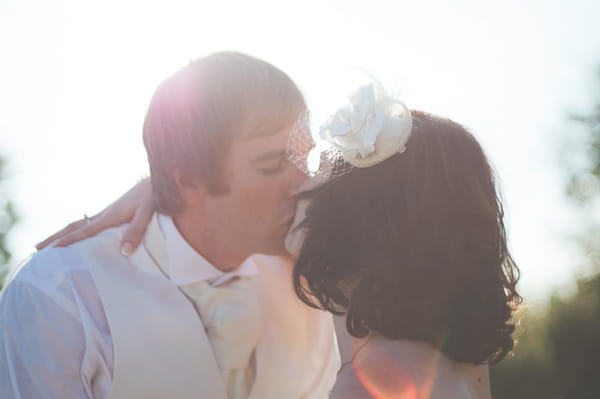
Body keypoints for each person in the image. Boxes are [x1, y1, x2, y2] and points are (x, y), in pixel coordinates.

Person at [35, 83, 521, 398]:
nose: (302, 182)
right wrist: (168, 190)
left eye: (327, 174)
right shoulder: (463, 364)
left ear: (368, 220)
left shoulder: (370, 386)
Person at [0, 52, 339, 399]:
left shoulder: (316, 277)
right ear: (191, 181)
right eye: (272, 164)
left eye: (305, 157)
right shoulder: (61, 296)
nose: (305, 183)